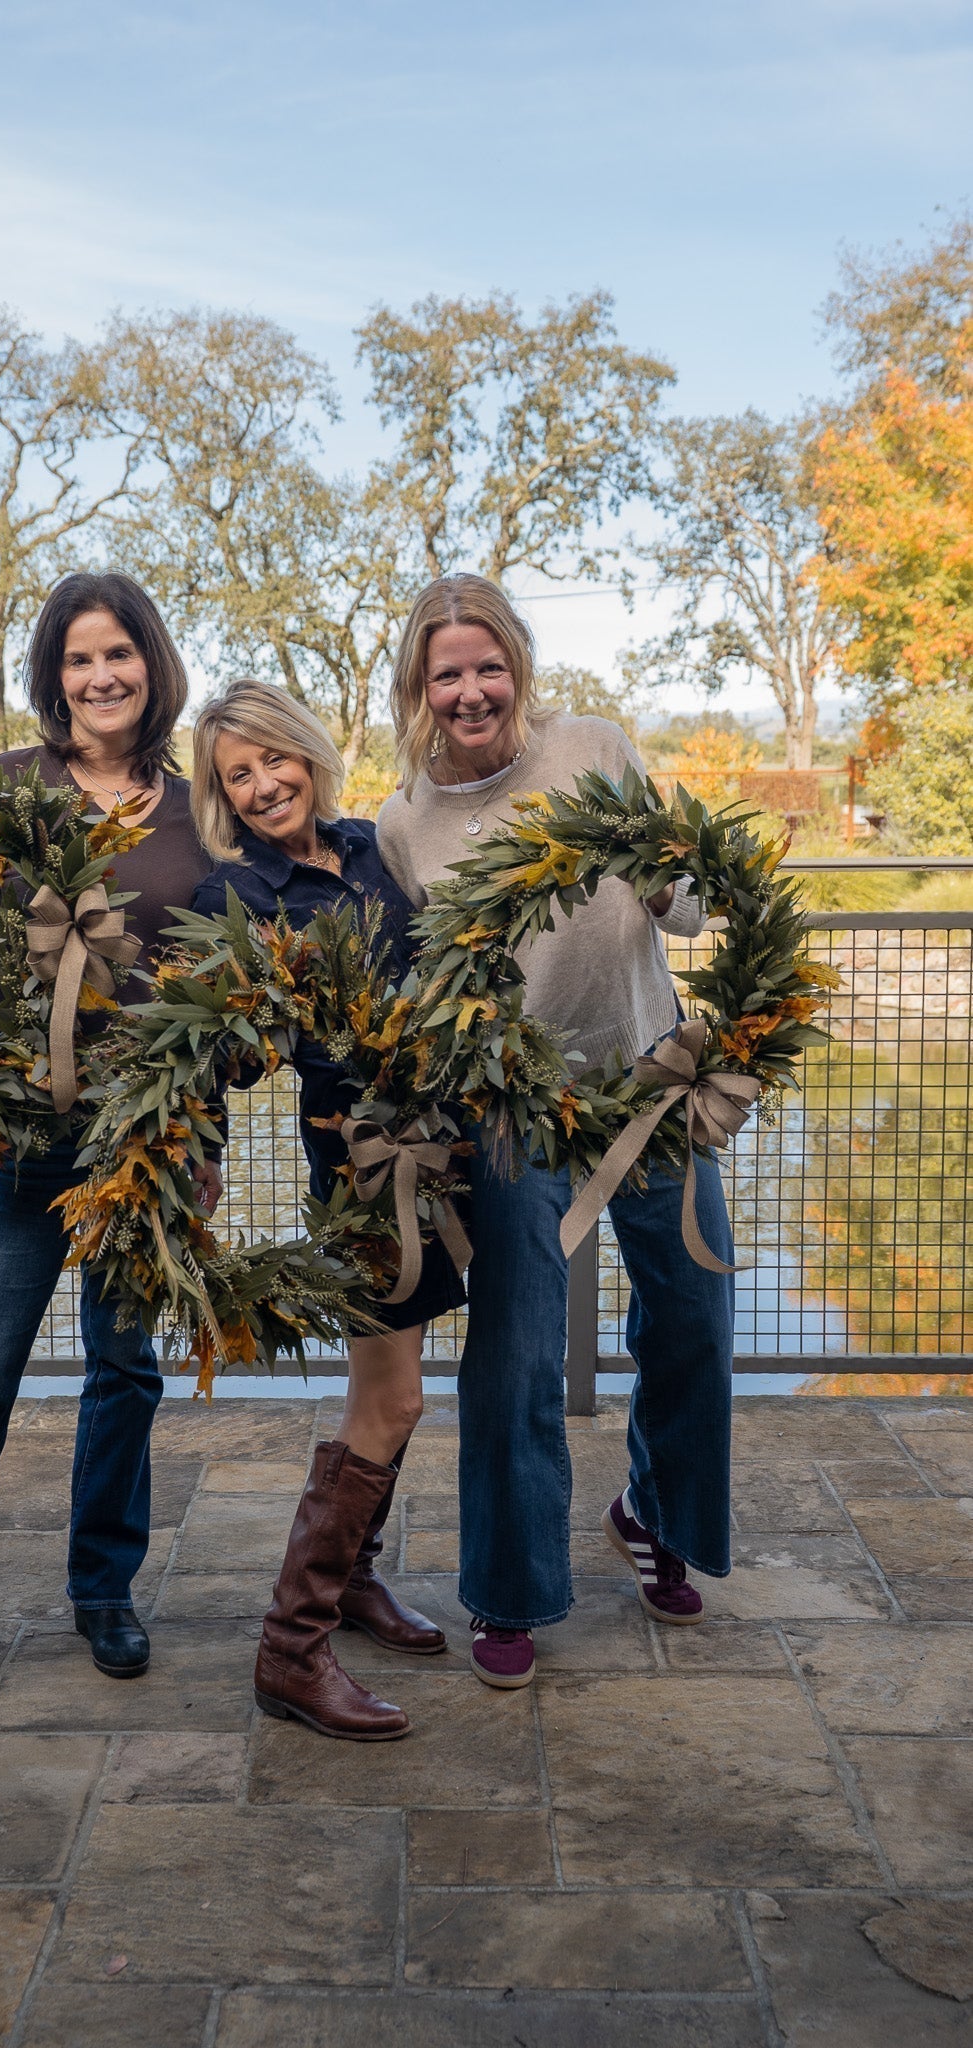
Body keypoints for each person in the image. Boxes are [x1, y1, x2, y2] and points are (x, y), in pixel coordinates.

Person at [377, 574, 732, 1693]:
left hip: (646, 1075)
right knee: (517, 1349)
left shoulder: (592, 748)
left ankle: (654, 1512)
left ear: (518, 668)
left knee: (693, 1314)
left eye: (489, 666)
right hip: (514, 1110)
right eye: (449, 673)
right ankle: (511, 1588)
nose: (472, 690)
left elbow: (687, 907)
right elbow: (424, 978)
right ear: (419, 689)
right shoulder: (402, 825)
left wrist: (682, 878)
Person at [0, 573, 222, 1718]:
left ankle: (103, 1588)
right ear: (52, 675)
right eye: (79, 658)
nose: (101, 674)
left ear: (151, 662)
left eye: (119, 651)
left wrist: (202, 1126)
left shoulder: (198, 810)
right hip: (18, 1135)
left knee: (125, 1368)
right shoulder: (3, 794)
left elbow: (230, 986)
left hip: (146, 1142)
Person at [189, 679, 465, 1742]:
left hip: (439, 1154)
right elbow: (219, 1046)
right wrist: (202, 1143)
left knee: (398, 1396)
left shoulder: (370, 847)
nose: (262, 786)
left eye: (273, 760)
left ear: (308, 751)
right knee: (388, 1403)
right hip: (358, 1170)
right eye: (237, 775)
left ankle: (350, 1586)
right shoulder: (241, 897)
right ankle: (289, 1648)